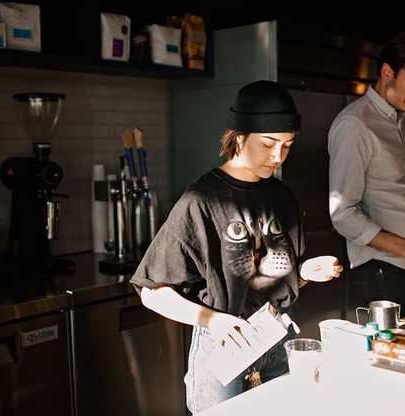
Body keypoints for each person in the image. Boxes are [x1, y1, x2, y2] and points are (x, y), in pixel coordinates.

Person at [130, 80, 343, 414]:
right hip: (224, 344)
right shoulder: (202, 200)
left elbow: (277, 279)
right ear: (239, 135)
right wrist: (213, 321)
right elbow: (151, 291)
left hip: (277, 338)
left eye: (287, 145)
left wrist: (305, 273)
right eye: (269, 143)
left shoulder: (282, 196)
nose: (278, 156)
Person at [327, 31, 405, 318]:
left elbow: (392, 181)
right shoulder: (355, 125)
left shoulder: (402, 119)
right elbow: (343, 215)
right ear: (387, 72)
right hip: (382, 270)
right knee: (395, 357)